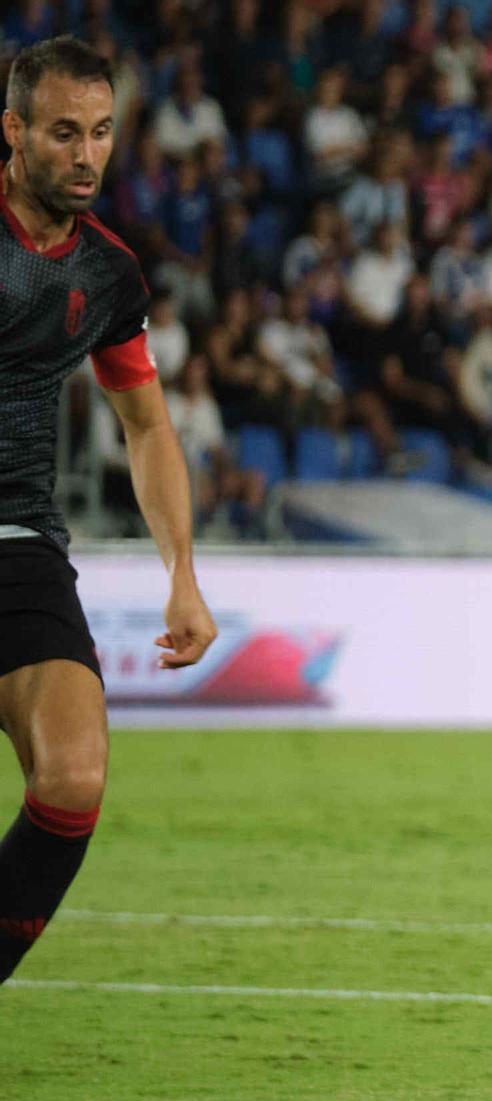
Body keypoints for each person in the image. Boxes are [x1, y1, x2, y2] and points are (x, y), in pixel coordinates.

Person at [0, 39, 218, 983]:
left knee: (75, 774)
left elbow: (147, 426)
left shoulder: (109, 273)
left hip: (17, 539)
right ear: (12, 132)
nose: (86, 155)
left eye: (99, 133)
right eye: (62, 133)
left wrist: (182, 574)